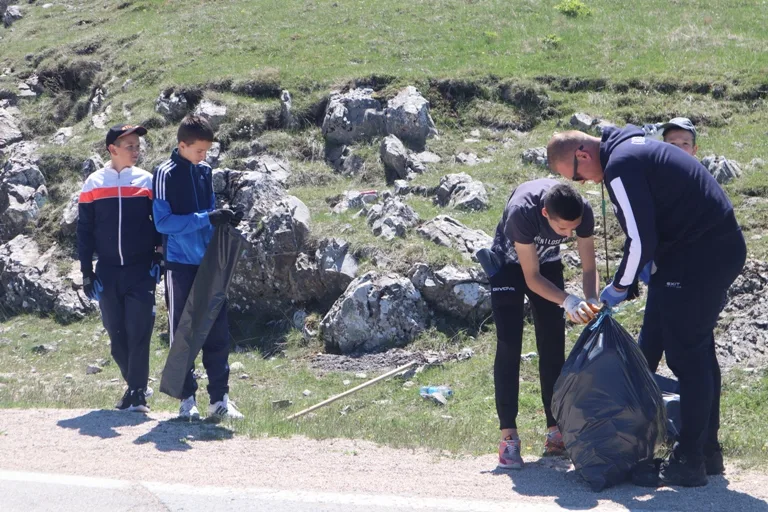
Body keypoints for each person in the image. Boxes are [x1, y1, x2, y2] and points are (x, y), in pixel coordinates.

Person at [546, 126, 746, 487]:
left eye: (576, 176)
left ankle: (690, 461)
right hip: (709, 250)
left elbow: (641, 238)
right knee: (696, 349)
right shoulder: (631, 151)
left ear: (583, 154)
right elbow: (647, 230)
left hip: (700, 254)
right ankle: (705, 452)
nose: (584, 183)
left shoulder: (621, 165)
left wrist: (619, 287)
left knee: (688, 354)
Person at [486, 179, 600, 470]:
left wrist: (591, 301)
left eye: (573, 228)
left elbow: (589, 267)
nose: (568, 234)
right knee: (509, 345)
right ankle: (508, 438)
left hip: (548, 265)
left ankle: (555, 432)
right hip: (509, 267)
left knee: (552, 346)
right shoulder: (522, 213)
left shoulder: (582, 211)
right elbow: (531, 278)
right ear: (546, 213)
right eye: (563, 229)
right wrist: (568, 301)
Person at [152, 114, 243, 421]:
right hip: (179, 264)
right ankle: (185, 400)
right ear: (182, 145)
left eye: (206, 151)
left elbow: (208, 212)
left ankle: (220, 400)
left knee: (217, 331)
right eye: (199, 150)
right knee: (184, 332)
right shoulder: (164, 173)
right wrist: (207, 218)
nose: (204, 156)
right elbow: (164, 222)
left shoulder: (205, 170)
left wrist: (225, 216)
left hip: (209, 262)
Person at [77, 124, 161, 413]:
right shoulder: (93, 184)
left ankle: (137, 394)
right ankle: (134, 385)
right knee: (117, 338)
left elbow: (160, 224)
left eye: (138, 146)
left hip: (141, 270)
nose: (136, 151)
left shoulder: (148, 181)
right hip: (108, 271)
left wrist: (159, 257)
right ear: (112, 149)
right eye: (130, 146)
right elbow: (84, 231)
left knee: (139, 332)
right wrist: (87, 272)